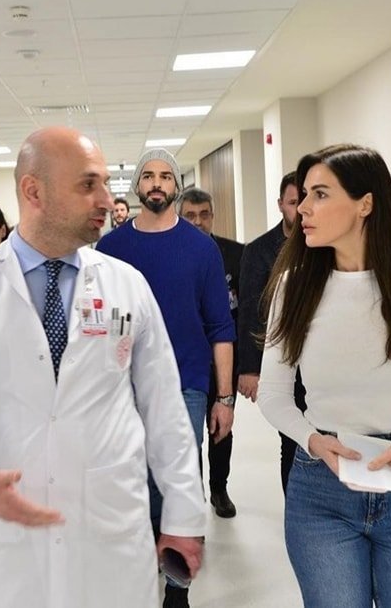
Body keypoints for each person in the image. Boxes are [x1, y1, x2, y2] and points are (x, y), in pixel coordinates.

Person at [0, 127, 207, 608]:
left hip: (112, 526)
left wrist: (183, 515)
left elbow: (165, 409)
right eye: (88, 185)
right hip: (11, 542)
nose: (107, 199)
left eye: (105, 184)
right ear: (33, 191)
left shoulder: (127, 285)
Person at [256, 144, 391, 608]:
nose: (303, 208)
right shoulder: (294, 286)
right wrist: (313, 441)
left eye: (320, 194)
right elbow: (274, 394)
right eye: (303, 195)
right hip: (322, 489)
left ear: (365, 203)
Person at [98, 149, 235, 608]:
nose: (156, 183)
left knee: (179, 480)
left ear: (176, 186)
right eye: (148, 176)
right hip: (122, 386)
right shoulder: (110, 249)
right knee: (130, 481)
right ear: (137, 186)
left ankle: (177, 590)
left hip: (186, 383)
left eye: (165, 176)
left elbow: (220, 328)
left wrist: (225, 399)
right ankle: (140, 569)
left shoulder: (202, 249)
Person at [237, 172, 308, 493]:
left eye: (305, 201)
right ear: (281, 205)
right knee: (292, 440)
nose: (301, 209)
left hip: (323, 362)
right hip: (283, 360)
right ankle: (294, 508)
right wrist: (250, 368)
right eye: (293, 202)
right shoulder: (259, 251)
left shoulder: (326, 244)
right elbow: (251, 310)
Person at [177, 187, 243, 518]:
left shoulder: (235, 254)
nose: (198, 222)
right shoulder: (175, 254)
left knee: (220, 428)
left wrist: (246, 367)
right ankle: (194, 497)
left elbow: (244, 312)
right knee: (188, 435)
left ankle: (219, 488)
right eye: (190, 216)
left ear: (213, 216)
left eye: (204, 215)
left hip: (223, 356)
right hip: (189, 358)